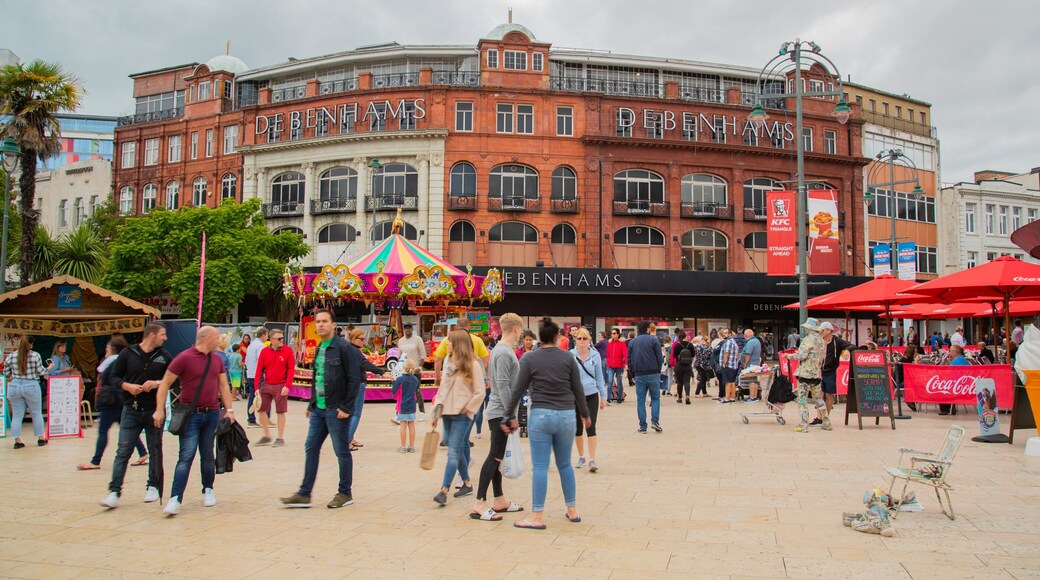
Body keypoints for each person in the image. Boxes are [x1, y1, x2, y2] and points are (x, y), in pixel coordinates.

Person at [502, 317, 591, 530]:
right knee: (565, 464)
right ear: (558, 336)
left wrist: (508, 415)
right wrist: (585, 414)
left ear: (539, 338)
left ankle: (537, 515)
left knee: (540, 466)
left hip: (541, 415)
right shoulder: (568, 358)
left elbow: (518, 389)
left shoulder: (529, 358)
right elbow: (578, 388)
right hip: (566, 415)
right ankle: (572, 510)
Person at [281, 308, 362, 509]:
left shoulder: (344, 348)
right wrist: (312, 403)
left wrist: (346, 407)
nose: (320, 325)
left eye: (324, 321)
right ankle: (304, 493)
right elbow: (317, 376)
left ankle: (345, 492)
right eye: (318, 322)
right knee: (311, 447)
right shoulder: (319, 348)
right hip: (319, 409)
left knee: (341, 451)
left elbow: (354, 379)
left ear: (333, 325)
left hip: (336, 409)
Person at [152, 326, 236, 515]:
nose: (219, 341)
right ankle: (175, 498)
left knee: (207, 454)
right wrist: (159, 409)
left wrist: (229, 410)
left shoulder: (217, 359)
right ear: (207, 338)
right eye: (216, 338)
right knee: (186, 456)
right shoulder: (184, 357)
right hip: (191, 415)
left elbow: (223, 385)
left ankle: (208, 489)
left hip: (211, 413)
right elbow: (165, 382)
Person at [100, 323, 172, 508]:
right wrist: (127, 386)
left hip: (153, 410)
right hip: (131, 409)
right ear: (151, 335)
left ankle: (153, 486)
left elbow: (173, 380)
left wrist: (157, 383)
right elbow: (114, 377)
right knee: (123, 450)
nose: (165, 338)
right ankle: (114, 491)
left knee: (155, 449)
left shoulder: (164, 356)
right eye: (162, 334)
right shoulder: (128, 353)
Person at [471, 312, 526, 521]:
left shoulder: (501, 350)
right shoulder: (504, 352)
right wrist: (510, 414)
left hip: (499, 411)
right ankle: (479, 502)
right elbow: (502, 385)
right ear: (517, 328)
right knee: (494, 455)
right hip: (500, 412)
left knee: (498, 456)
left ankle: (499, 499)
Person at [431, 330, 486, 506]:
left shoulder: (473, 364)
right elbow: (442, 389)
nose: (446, 344)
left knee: (453, 451)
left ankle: (444, 490)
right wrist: (435, 413)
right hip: (447, 412)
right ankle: (467, 483)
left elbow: (480, 392)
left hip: (462, 415)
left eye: (449, 341)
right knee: (455, 447)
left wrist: (467, 408)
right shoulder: (449, 363)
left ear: (458, 344)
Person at [78, 337, 148, 470]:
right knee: (128, 429)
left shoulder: (112, 362)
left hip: (110, 400)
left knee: (103, 431)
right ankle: (143, 453)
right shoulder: (124, 360)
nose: (106, 349)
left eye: (107, 347)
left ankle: (95, 461)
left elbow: (106, 377)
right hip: (120, 399)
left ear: (112, 348)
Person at [4, 336, 54, 449]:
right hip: (31, 385)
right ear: (31, 344)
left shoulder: (11, 356)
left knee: (17, 415)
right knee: (36, 413)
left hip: (15, 386)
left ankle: (17, 441)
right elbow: (41, 372)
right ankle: (40, 438)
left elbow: (6, 372)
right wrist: (49, 367)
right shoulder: (35, 355)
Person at [571, 327, 607, 472]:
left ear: (589, 340)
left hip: (591, 395)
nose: (582, 341)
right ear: (575, 339)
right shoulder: (571, 355)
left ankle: (592, 459)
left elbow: (599, 377)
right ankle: (581, 456)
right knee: (577, 428)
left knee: (590, 427)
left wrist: (603, 396)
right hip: (575, 396)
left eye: (584, 338)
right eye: (579, 338)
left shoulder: (595, 356)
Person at [255, 328, 295, 447]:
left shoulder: (288, 351)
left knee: (280, 411)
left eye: (282, 338)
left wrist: (287, 386)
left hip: (281, 384)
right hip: (267, 384)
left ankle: (280, 437)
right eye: (279, 338)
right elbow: (259, 370)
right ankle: (266, 435)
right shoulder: (264, 352)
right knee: (261, 409)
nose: (281, 340)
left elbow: (291, 370)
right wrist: (257, 387)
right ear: (271, 339)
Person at [347, 329, 385, 451]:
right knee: (356, 414)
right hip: (358, 383)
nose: (364, 342)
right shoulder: (355, 351)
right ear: (354, 339)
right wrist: (381, 372)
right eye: (361, 339)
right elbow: (365, 364)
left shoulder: (349, 349)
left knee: (352, 413)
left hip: (351, 383)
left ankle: (351, 438)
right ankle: (347, 440)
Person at [788, 318, 827, 433]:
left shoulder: (808, 340)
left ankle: (804, 424)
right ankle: (826, 421)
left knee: (802, 399)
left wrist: (789, 356)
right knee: (818, 398)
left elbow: (801, 355)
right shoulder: (821, 340)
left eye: (806, 328)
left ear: (810, 328)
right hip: (816, 374)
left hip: (805, 373)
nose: (805, 329)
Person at [628, 321, 664, 433]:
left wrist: (632, 374)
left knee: (641, 401)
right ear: (648, 329)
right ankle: (655, 422)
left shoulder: (632, 342)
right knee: (655, 398)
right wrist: (658, 369)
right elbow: (659, 357)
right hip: (653, 373)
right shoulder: (654, 340)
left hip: (639, 374)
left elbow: (629, 360)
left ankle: (643, 426)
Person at [818, 322, 852, 420]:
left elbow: (851, 346)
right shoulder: (819, 341)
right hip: (818, 371)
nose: (821, 332)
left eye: (822, 330)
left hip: (830, 371)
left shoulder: (837, 341)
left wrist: (847, 350)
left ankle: (826, 417)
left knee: (829, 394)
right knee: (818, 394)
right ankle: (819, 417)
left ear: (829, 330)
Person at [396, 324, 427, 418]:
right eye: (406, 328)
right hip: (404, 371)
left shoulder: (418, 339)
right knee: (403, 392)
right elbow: (399, 356)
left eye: (409, 328)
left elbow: (423, 355)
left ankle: (421, 412)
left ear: (412, 329)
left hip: (415, 370)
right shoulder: (401, 341)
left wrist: (419, 367)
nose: (408, 330)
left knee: (417, 391)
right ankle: (400, 412)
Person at [391, 359, 420, 453]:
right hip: (412, 405)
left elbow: (394, 392)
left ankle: (403, 447)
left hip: (402, 405)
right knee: (411, 425)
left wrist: (393, 382)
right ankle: (411, 447)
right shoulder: (415, 379)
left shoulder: (400, 379)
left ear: (403, 367)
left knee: (403, 425)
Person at [244, 327, 269, 427]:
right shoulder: (260, 346)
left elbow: (246, 360)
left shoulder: (251, 345)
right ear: (263, 335)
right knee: (262, 396)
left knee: (252, 396)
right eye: (267, 335)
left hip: (250, 373)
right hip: (257, 375)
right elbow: (262, 360)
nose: (267, 338)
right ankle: (262, 418)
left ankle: (251, 418)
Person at [939, 345, 970, 416]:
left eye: (950, 351)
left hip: (959, 385)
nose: (949, 352)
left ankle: (946, 409)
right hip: (963, 383)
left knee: (941, 387)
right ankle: (949, 407)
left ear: (955, 352)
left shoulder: (957, 361)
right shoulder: (961, 359)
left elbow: (948, 373)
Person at [739, 328, 763, 402]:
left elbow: (748, 354)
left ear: (746, 335)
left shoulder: (750, 342)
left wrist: (745, 363)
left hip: (750, 365)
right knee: (754, 381)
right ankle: (755, 396)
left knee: (751, 381)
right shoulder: (757, 341)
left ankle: (752, 397)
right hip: (756, 364)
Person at [671, 330, 695, 404]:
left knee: (680, 382)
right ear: (685, 337)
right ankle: (687, 396)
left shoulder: (677, 345)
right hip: (687, 365)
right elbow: (693, 355)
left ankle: (680, 398)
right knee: (687, 381)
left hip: (679, 365)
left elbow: (674, 355)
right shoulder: (690, 345)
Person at [605, 328, 627, 404]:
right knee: (609, 382)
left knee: (619, 382)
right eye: (611, 333)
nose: (612, 335)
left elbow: (625, 354)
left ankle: (620, 398)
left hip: (619, 366)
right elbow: (607, 354)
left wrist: (625, 364)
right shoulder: (609, 343)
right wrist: (607, 363)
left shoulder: (622, 343)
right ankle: (608, 398)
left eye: (614, 333)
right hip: (610, 366)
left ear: (618, 334)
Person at [718, 329, 741, 404]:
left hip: (728, 365)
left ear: (730, 334)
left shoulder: (728, 342)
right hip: (734, 365)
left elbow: (726, 353)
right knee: (732, 382)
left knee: (727, 382)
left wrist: (724, 363)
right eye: (723, 333)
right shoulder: (733, 341)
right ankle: (732, 397)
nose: (724, 334)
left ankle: (727, 398)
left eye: (726, 333)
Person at [896, 345, 921, 412]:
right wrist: (916, 362)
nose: (917, 353)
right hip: (900, 382)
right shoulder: (905, 361)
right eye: (915, 352)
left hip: (903, 380)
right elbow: (914, 372)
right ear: (911, 353)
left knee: (917, 382)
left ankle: (912, 400)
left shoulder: (906, 360)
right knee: (917, 383)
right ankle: (910, 399)